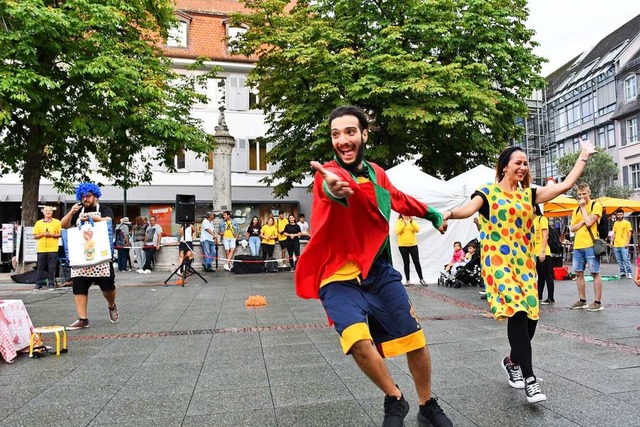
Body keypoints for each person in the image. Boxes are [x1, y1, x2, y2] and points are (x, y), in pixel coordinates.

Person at [295, 106, 451, 427]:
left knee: (416, 342)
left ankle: (426, 403)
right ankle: (394, 397)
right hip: (337, 274)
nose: (342, 140)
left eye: (349, 132)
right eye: (335, 134)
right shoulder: (327, 173)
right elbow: (330, 189)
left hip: (379, 271)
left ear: (364, 135)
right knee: (357, 341)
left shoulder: (378, 173)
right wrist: (334, 189)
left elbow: (398, 198)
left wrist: (431, 214)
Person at [443, 139, 596, 404]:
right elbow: (468, 210)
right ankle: (530, 380)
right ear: (504, 167)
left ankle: (512, 361)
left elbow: (565, 185)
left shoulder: (530, 195)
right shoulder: (487, 193)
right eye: (518, 163)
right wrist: (447, 214)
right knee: (518, 313)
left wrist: (583, 155)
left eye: (526, 163)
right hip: (498, 265)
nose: (523, 167)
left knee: (531, 320)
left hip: (524, 263)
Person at [60, 182, 119, 330]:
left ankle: (112, 305)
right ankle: (82, 319)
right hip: (81, 255)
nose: (85, 199)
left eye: (88, 196)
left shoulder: (105, 209)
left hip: (101, 255)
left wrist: (92, 218)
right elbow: (63, 225)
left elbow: (109, 221)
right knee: (79, 286)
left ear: (95, 196)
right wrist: (71, 213)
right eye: (82, 196)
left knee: (108, 287)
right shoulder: (78, 210)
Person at [569, 183, 604, 311]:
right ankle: (582, 300)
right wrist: (583, 220)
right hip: (578, 245)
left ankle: (597, 302)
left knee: (595, 272)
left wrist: (583, 209)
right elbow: (572, 228)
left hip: (591, 243)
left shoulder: (596, 205)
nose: (582, 196)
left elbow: (590, 223)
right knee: (578, 273)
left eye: (584, 193)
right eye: (579, 194)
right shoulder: (575, 209)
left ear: (589, 193)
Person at [33, 206, 62, 290]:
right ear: (43, 212)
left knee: (52, 267)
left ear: (52, 212)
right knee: (40, 267)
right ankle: (39, 284)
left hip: (53, 248)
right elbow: (35, 236)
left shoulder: (57, 222)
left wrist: (51, 235)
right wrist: (43, 234)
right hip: (41, 248)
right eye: (46, 211)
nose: (48, 212)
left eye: (49, 210)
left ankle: (51, 283)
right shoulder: (38, 223)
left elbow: (60, 234)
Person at [395, 215, 427, 287]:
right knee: (406, 263)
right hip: (402, 246)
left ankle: (421, 279)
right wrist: (404, 223)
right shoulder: (399, 222)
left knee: (416, 262)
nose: (406, 215)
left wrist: (411, 222)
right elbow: (397, 231)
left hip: (413, 245)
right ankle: (407, 280)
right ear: (401, 214)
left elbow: (417, 230)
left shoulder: (412, 221)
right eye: (404, 213)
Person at [533, 206, 555, 305]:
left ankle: (551, 297)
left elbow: (545, 236)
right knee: (540, 275)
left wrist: (542, 251)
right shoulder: (531, 221)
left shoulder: (542, 219)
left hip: (544, 251)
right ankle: (539, 296)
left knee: (547, 275)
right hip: (534, 252)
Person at [611, 208, 633, 278]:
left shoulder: (627, 223)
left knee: (626, 259)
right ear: (616, 215)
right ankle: (622, 272)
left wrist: (628, 242)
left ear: (623, 215)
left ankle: (629, 272)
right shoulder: (615, 223)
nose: (619, 216)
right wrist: (612, 242)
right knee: (619, 260)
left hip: (624, 244)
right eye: (618, 215)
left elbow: (629, 233)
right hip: (616, 244)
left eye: (621, 214)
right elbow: (614, 233)